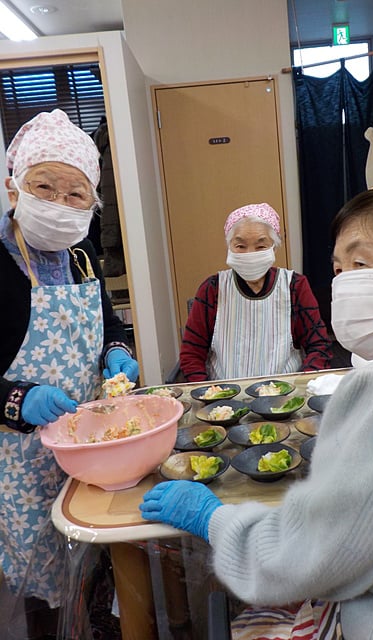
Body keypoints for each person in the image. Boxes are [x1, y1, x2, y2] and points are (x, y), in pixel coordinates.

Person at [141, 176, 373, 640]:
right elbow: (193, 352)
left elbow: (301, 559)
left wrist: (211, 517)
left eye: (361, 264)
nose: (343, 285)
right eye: (339, 270)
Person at [0, 109, 138, 639]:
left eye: (75, 193)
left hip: (93, 444)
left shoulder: (81, 257)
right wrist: (17, 400)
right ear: (15, 189)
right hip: (25, 462)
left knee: (96, 557)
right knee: (46, 582)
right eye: (45, 187)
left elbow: (109, 324)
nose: (60, 205)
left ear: (92, 202)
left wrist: (117, 351)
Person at [179, 202, 333, 381]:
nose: (249, 254)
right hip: (224, 398)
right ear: (229, 247)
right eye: (240, 246)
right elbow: (191, 354)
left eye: (260, 247)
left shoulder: (294, 286)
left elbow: (319, 346)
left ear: (274, 247)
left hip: (284, 395)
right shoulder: (212, 289)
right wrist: (208, 394)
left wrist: (302, 386)